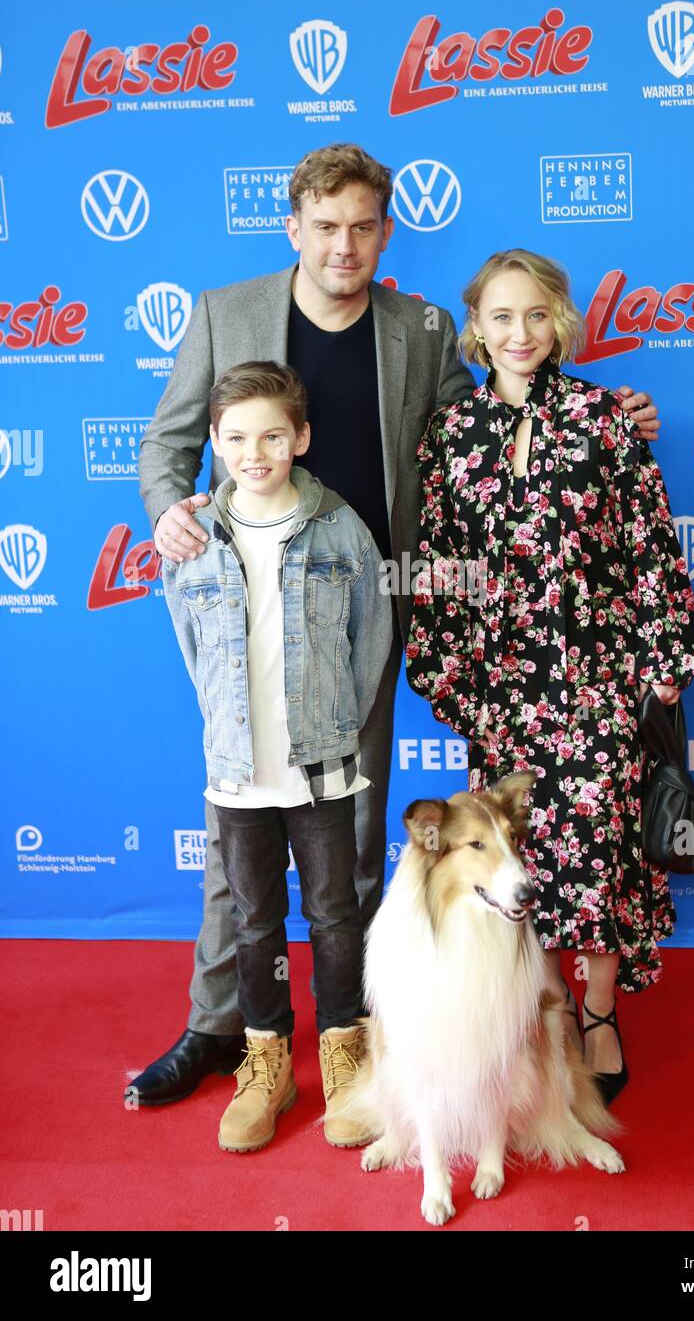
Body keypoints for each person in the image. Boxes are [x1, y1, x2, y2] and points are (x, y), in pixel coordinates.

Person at [133, 141, 662, 1112]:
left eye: (363, 225)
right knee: (237, 824)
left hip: (367, 607)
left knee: (358, 832)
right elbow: (169, 443)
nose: (344, 244)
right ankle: (220, 1025)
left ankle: (365, 1023)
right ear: (293, 228)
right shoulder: (224, 312)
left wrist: (607, 418)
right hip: (244, 603)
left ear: (386, 230)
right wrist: (170, 505)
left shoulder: (415, 327)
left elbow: (495, 422)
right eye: (325, 226)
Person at [405, 249, 694, 1105]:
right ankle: (540, 1010)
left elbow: (648, 542)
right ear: (476, 328)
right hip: (503, 688)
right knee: (518, 861)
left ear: (561, 321)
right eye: (501, 317)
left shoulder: (607, 419)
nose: (520, 333)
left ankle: (600, 1010)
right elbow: (440, 561)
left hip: (597, 677)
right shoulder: (451, 436)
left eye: (536, 315)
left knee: (601, 851)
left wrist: (664, 658)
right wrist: (449, 669)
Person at [162, 360, 393, 1150]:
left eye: (271, 434)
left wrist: (332, 725)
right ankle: (265, 1067)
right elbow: (194, 648)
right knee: (255, 922)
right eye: (234, 437)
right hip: (236, 773)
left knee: (335, 914)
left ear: (300, 437)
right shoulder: (195, 539)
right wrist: (232, 729)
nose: (253, 451)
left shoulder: (339, 527)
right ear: (216, 446)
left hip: (321, 766)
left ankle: (345, 1053)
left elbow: (372, 638)